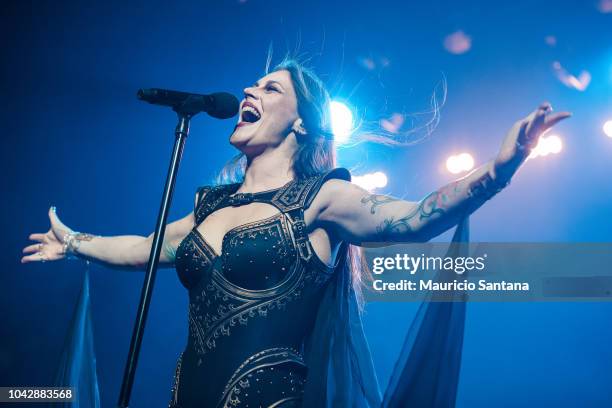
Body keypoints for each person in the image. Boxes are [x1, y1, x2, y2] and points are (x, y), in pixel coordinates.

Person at [21, 58, 570, 407]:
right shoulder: (208, 205)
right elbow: (144, 249)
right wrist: (73, 243)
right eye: (253, 83)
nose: (249, 89)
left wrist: (499, 169)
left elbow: (418, 216)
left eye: (270, 87)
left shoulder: (322, 198)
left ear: (302, 121)